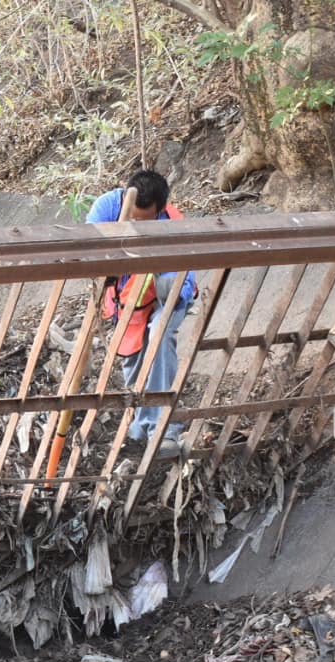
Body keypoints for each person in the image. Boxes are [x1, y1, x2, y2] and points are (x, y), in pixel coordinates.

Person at [85, 170, 197, 460]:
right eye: (133, 219)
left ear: (159, 211)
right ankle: (139, 425)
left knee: (159, 335)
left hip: (164, 295)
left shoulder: (172, 222)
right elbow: (86, 251)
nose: (137, 226)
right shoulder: (106, 208)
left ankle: (164, 429)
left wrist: (169, 293)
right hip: (125, 297)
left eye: (144, 222)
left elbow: (181, 279)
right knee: (133, 357)